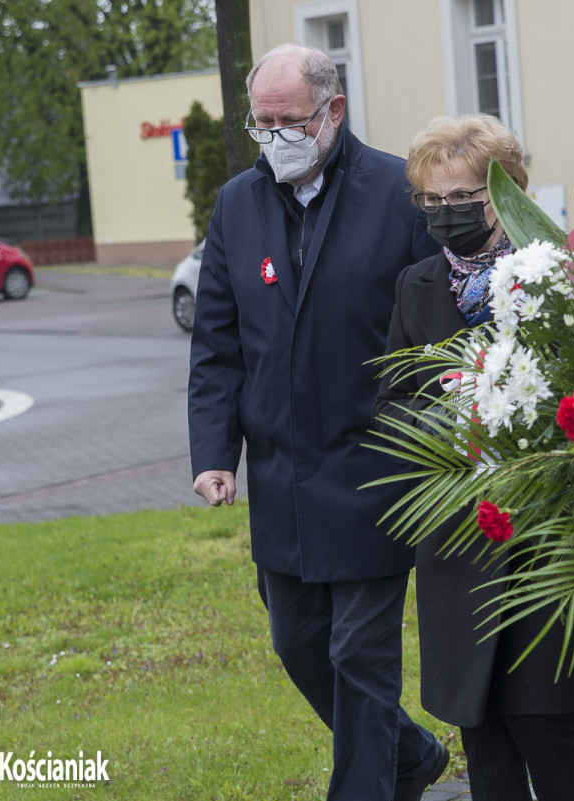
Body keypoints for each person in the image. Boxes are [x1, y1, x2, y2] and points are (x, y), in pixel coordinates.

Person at [187, 43, 447, 801]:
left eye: (288, 121)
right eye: (260, 123)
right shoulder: (237, 203)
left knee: (360, 659)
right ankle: (412, 754)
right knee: (299, 644)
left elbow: (432, 333)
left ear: (332, 113)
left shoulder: (399, 195)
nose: (273, 137)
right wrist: (214, 451)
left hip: (375, 472)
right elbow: (217, 341)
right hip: (282, 480)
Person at [372, 113, 574, 801]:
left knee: (545, 722)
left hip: (544, 534)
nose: (445, 215)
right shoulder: (415, 283)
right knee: (482, 729)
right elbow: (389, 402)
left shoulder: (560, 270)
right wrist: (450, 408)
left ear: (505, 190)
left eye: (463, 199)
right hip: (458, 538)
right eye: (431, 202)